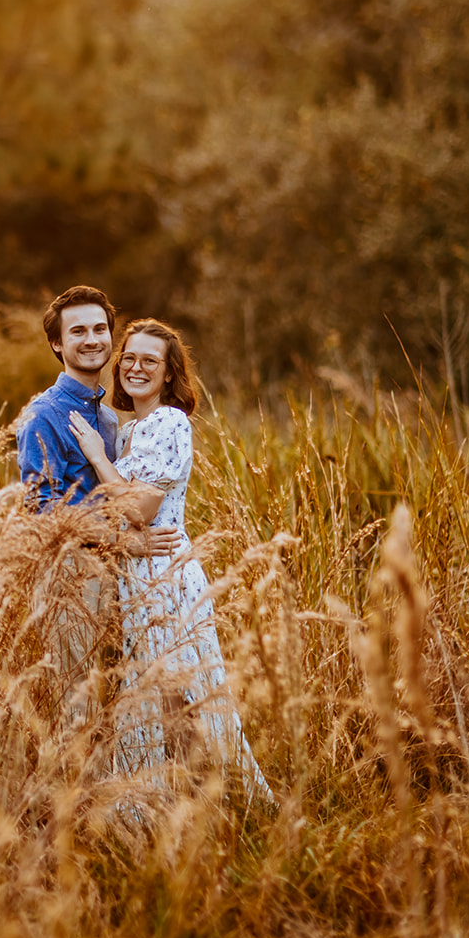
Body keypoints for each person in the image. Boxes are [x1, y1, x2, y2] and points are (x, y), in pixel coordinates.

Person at [67, 318, 272, 802]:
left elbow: (139, 509)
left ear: (168, 373)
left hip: (165, 570)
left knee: (176, 692)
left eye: (150, 361)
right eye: (130, 359)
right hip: (136, 570)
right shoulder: (132, 427)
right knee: (152, 690)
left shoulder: (168, 422)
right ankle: (173, 799)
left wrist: (98, 457)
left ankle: (214, 799)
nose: (136, 368)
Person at [16, 287, 180, 726]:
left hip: (121, 579)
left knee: (121, 708)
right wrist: (126, 541)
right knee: (81, 708)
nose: (92, 339)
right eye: (78, 331)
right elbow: (41, 510)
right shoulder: (44, 415)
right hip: (72, 579)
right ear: (57, 344)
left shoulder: (109, 419)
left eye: (100, 329)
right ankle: (78, 797)